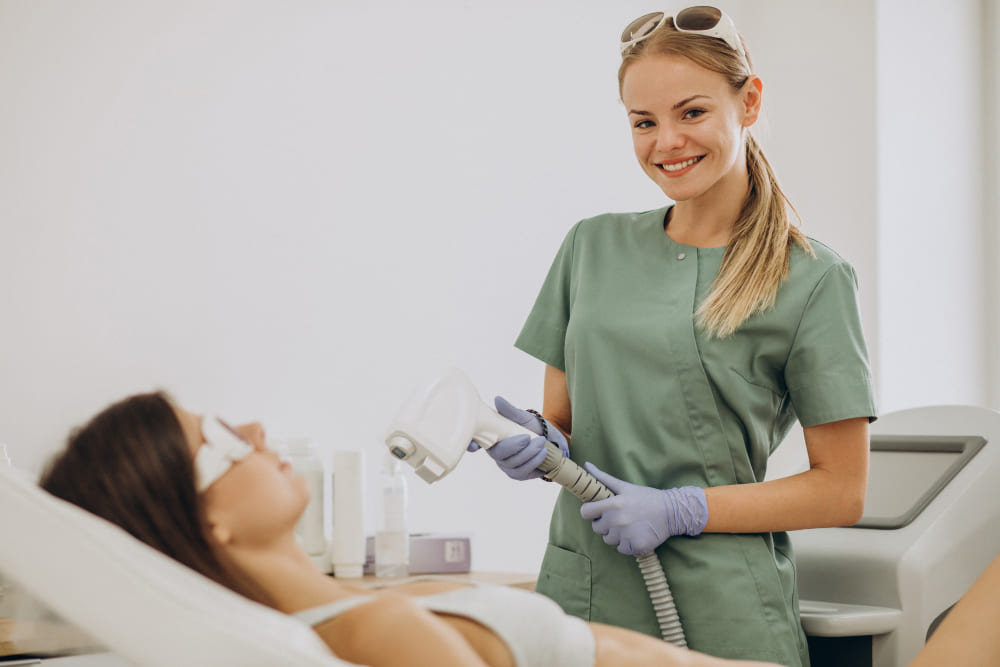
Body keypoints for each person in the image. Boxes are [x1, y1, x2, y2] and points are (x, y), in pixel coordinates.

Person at [473, 7, 877, 666]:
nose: (667, 142)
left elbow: (843, 489)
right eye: (644, 122)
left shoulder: (812, 277)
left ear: (749, 102)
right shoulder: (590, 248)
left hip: (724, 608)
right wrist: (539, 442)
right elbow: (568, 426)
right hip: (584, 598)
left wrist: (684, 508)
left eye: (691, 112)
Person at [39, 391, 780, 667]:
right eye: (223, 438)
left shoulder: (352, 612)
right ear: (206, 522)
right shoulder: (376, 630)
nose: (256, 428)